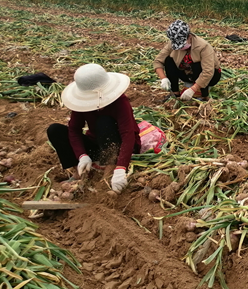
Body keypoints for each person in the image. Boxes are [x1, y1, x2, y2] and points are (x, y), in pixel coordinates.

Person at [47, 64, 141, 194]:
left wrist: (121, 168)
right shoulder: (82, 104)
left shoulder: (120, 101)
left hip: (119, 145)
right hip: (97, 144)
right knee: (55, 130)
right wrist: (82, 155)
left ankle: (109, 172)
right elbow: (74, 130)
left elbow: (128, 134)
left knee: (104, 121)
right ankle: (80, 173)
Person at [154, 19, 222, 101]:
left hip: (210, 76)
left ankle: (204, 96)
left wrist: (193, 89)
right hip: (188, 74)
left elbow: (208, 72)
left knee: (197, 65)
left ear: (189, 36)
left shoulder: (203, 47)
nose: (180, 48)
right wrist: (163, 78)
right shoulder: (172, 44)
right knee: (169, 60)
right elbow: (158, 61)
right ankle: (175, 93)